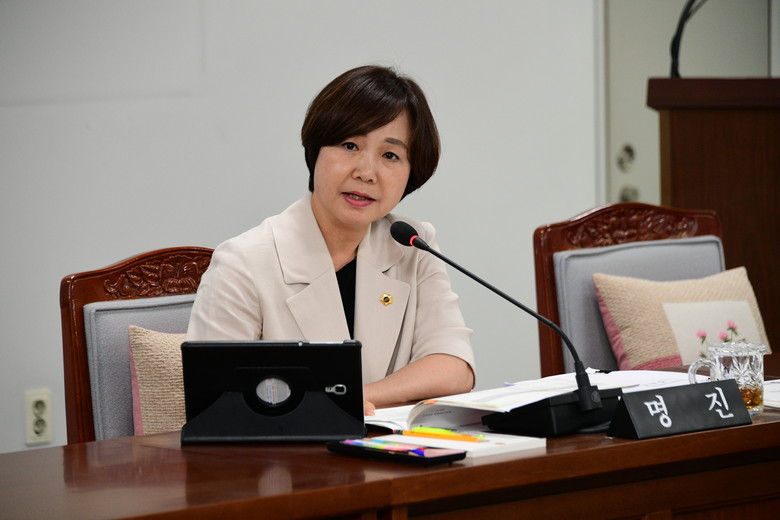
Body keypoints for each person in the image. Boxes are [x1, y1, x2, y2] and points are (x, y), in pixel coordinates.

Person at [187, 65, 475, 414]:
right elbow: (216, 402)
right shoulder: (243, 263)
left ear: (411, 173)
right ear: (315, 151)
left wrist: (355, 397)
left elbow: (454, 367)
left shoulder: (413, 244)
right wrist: (355, 400)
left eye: (390, 155)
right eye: (349, 145)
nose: (366, 173)